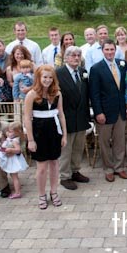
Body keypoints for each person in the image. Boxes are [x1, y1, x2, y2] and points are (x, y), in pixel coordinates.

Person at [24, 65, 68, 210]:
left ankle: (54, 192)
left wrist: (64, 135)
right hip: (39, 133)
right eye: (44, 77)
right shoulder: (31, 95)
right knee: (42, 167)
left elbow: (61, 114)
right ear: (39, 78)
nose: (47, 80)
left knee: (54, 163)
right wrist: (31, 139)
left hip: (54, 131)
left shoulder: (57, 93)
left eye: (50, 77)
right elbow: (27, 118)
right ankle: (41, 194)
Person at [89, 39, 127, 182]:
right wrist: (98, 112)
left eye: (112, 49)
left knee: (120, 140)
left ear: (115, 50)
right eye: (107, 49)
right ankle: (108, 169)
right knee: (105, 142)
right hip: (104, 112)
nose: (110, 52)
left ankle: (119, 167)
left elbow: (125, 88)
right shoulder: (96, 69)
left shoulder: (122, 64)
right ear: (102, 51)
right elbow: (94, 93)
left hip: (120, 110)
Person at [56, 46, 91, 190]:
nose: (76, 58)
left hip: (81, 116)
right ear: (66, 57)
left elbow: (86, 94)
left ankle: (75, 171)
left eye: (78, 55)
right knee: (66, 149)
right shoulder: (58, 73)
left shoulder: (83, 72)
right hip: (67, 116)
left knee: (78, 147)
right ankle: (65, 176)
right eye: (73, 55)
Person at [0, 122, 28, 199]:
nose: (8, 133)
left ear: (17, 132)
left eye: (10, 131)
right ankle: (17, 188)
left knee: (14, 177)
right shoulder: (11, 139)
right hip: (10, 159)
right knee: (13, 176)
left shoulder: (14, 141)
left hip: (13, 160)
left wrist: (11, 150)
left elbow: (18, 150)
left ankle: (17, 192)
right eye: (8, 131)